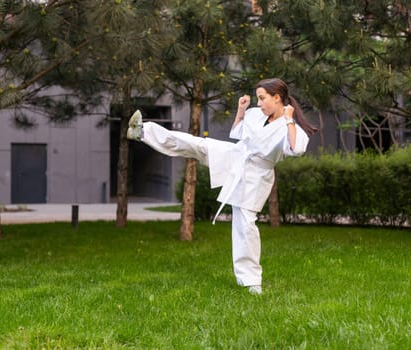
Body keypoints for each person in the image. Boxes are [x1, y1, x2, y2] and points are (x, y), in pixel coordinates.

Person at [127, 78, 317, 295]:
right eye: (258, 98)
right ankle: (143, 132)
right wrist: (241, 109)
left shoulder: (290, 127)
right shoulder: (256, 114)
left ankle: (251, 281)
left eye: (263, 98)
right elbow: (236, 133)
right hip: (236, 155)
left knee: (245, 224)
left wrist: (289, 120)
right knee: (197, 144)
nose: (259, 103)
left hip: (258, 175)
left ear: (277, 98)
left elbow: (295, 148)